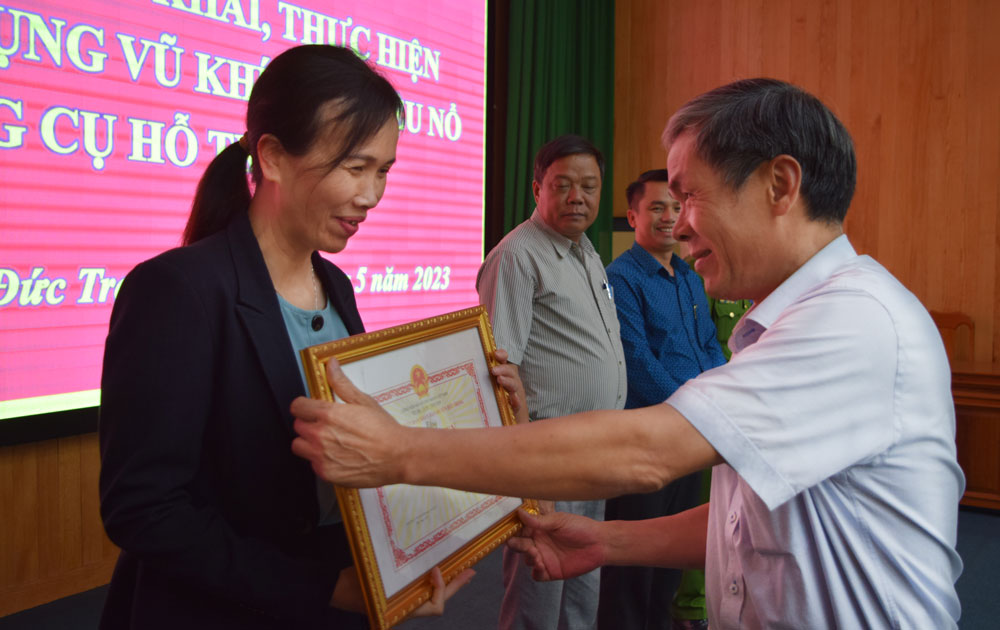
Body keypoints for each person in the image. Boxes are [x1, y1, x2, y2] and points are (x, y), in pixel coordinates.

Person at [290, 78, 965, 628]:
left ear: (779, 186)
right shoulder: (797, 316)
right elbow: (754, 517)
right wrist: (610, 543)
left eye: (691, 195)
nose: (679, 220)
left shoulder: (853, 320)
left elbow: (649, 452)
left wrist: (402, 452)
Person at [98, 44, 512, 629]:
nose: (371, 195)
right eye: (354, 166)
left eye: (384, 171)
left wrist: (485, 406)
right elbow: (144, 508)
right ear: (271, 156)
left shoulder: (335, 284)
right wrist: (322, 589)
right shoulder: (178, 290)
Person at [475, 134, 628, 630]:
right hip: (545, 455)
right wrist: (523, 473)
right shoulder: (518, 256)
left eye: (589, 186)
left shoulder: (587, 253)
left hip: (595, 448)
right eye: (562, 185)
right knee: (539, 590)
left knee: (582, 576)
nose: (577, 197)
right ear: (537, 187)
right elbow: (500, 369)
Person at [599, 169, 725, 630]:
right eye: (657, 208)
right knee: (633, 560)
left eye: (676, 207)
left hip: (692, 434)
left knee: (670, 555)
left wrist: (712, 398)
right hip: (648, 438)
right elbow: (638, 362)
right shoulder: (621, 278)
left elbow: (710, 344)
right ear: (632, 216)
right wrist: (699, 406)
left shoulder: (690, 278)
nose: (670, 218)